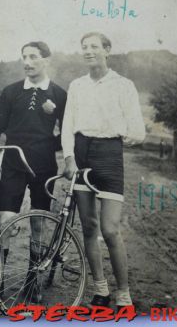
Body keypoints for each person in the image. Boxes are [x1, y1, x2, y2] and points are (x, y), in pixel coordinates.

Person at [62, 32, 145, 309]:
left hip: (109, 156)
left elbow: (138, 132)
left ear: (107, 50)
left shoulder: (123, 85)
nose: (88, 51)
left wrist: (120, 132)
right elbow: (67, 126)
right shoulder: (76, 85)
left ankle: (124, 293)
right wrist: (70, 158)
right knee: (88, 226)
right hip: (82, 152)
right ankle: (101, 289)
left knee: (110, 230)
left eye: (94, 47)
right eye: (84, 47)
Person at [0, 41, 67, 301]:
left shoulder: (59, 94)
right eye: (24, 57)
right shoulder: (11, 92)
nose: (27, 62)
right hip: (13, 163)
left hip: (44, 167)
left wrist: (50, 144)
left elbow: (68, 131)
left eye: (33, 57)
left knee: (39, 224)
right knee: (5, 222)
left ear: (46, 60)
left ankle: (32, 281)